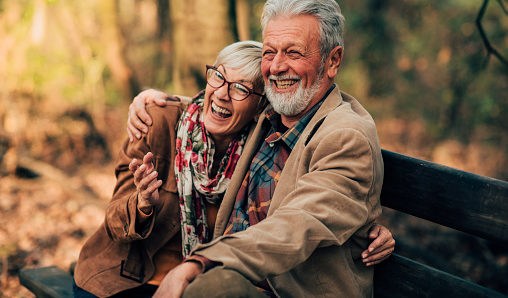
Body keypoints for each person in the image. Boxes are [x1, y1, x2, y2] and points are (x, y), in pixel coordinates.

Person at [73, 40, 393, 298]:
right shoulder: (158, 122)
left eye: (240, 88)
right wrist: (142, 204)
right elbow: (115, 223)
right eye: (218, 76)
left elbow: (317, 200)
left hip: (196, 282)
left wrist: (367, 230)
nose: (223, 93)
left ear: (261, 105)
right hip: (124, 279)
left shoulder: (259, 145)